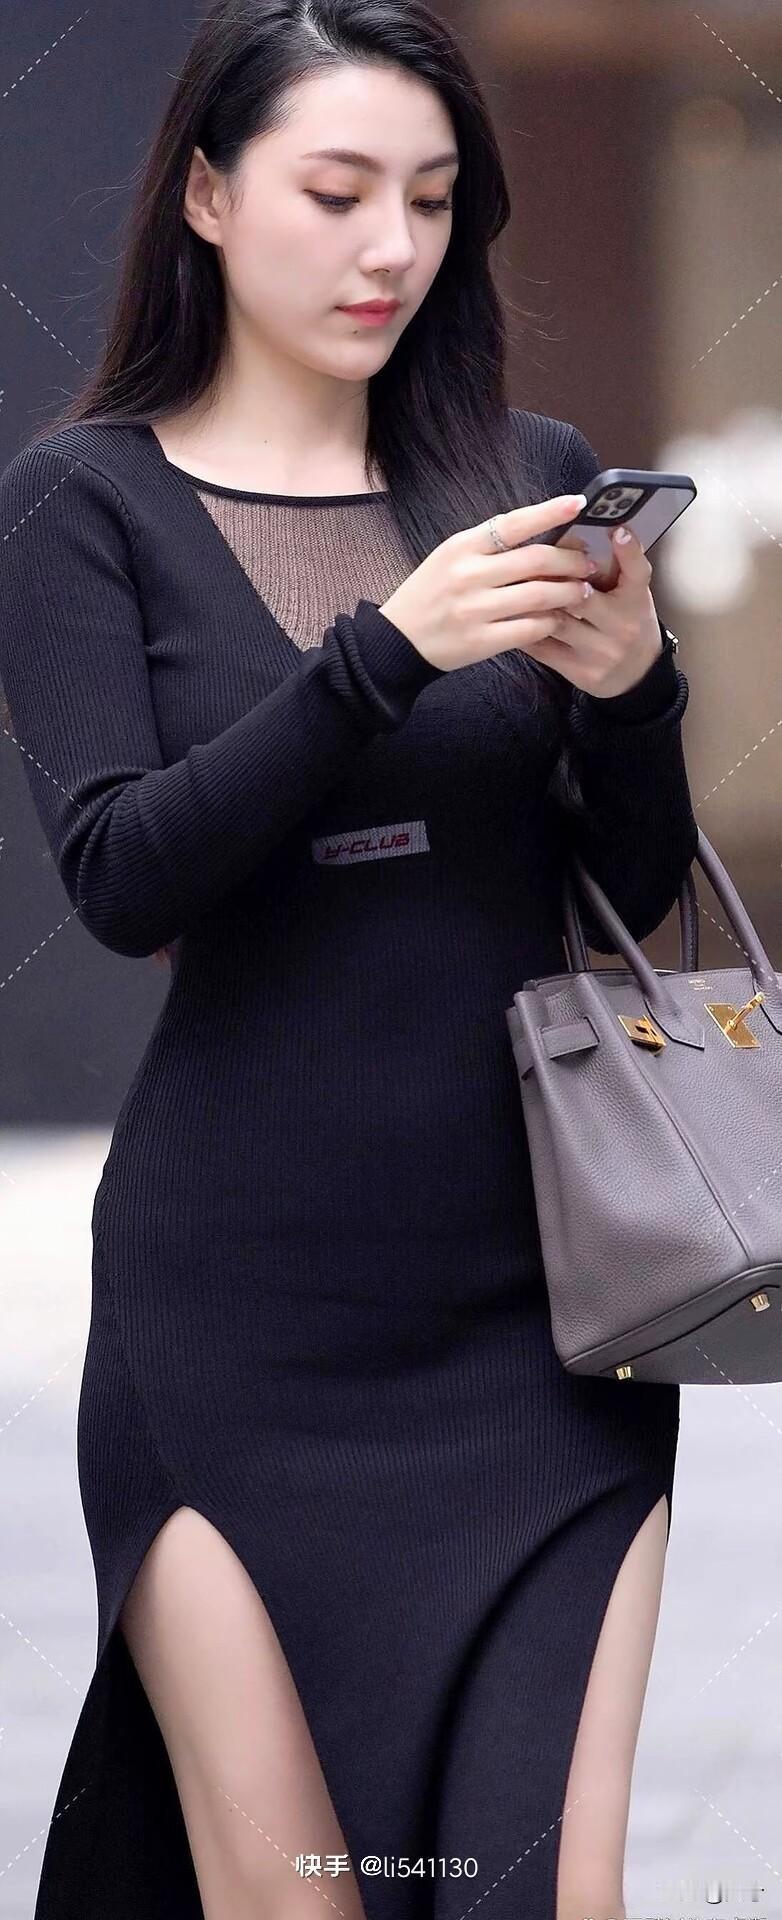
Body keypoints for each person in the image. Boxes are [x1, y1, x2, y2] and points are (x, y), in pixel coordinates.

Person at [0, 2, 698, 1915]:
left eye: (431, 198)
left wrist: (636, 693)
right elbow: (126, 874)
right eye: (336, 192)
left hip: (548, 1323)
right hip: (237, 1325)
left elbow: (627, 899)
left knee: (537, 1893)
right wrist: (381, 656)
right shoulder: (83, 506)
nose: (391, 246)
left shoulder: (524, 471)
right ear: (208, 196)